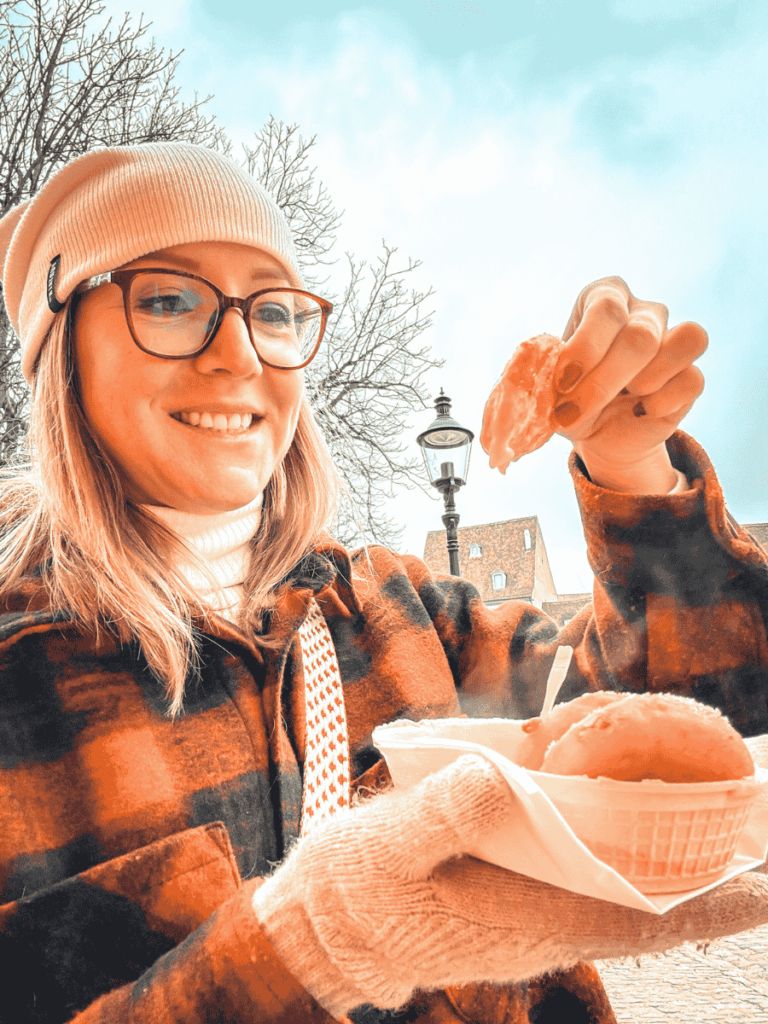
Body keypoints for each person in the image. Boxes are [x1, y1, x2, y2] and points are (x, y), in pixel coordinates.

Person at [0, 142, 766, 1024]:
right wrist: (307, 945)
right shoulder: (22, 681)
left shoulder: (406, 617)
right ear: (63, 356)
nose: (240, 352)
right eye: (169, 301)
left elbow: (708, 715)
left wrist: (633, 467)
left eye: (275, 310)